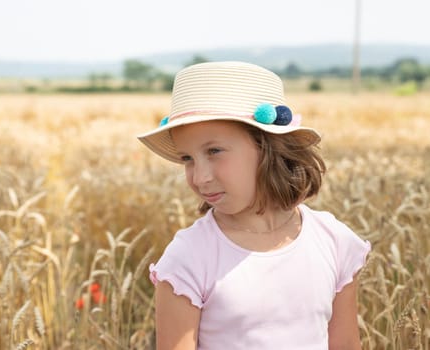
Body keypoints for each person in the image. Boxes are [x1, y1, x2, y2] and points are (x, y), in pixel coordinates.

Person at [137, 61, 371, 350]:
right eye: (187, 159)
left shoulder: (333, 241)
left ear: (268, 147)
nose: (199, 177)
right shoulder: (189, 257)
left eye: (214, 151)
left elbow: (346, 344)